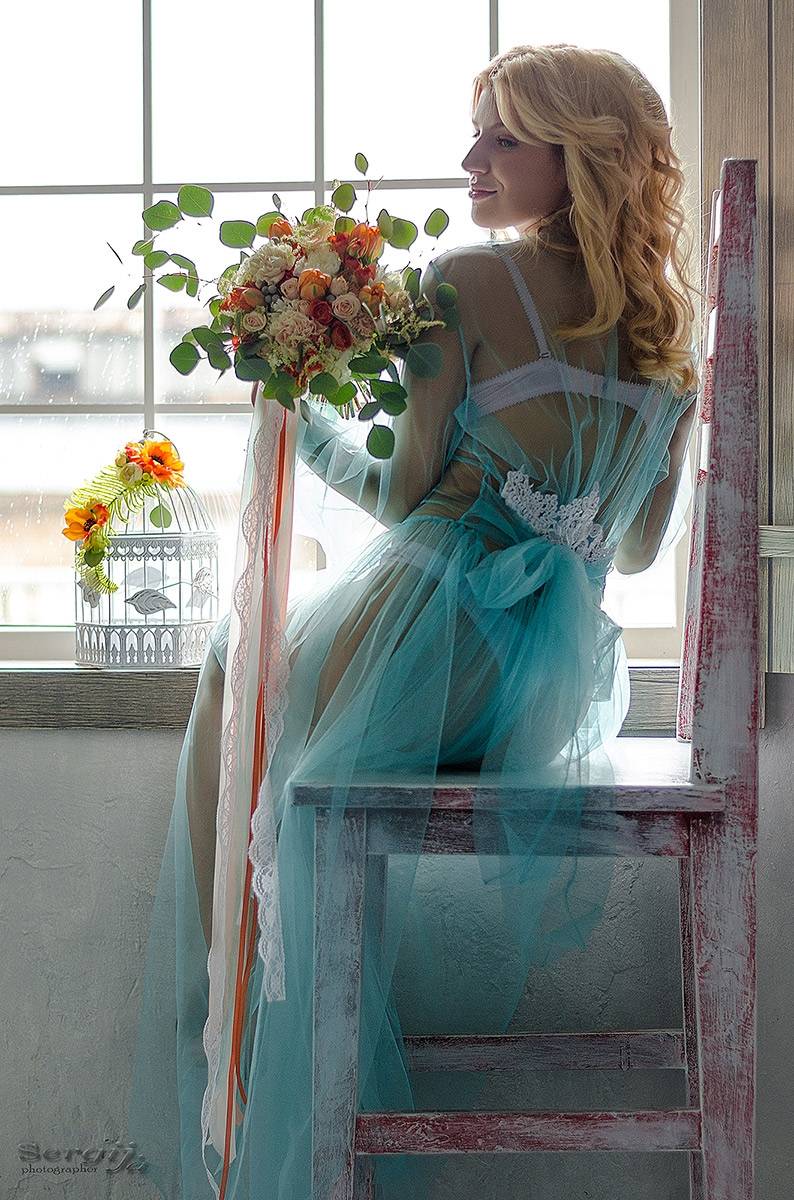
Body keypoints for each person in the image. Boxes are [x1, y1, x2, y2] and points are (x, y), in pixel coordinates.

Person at [128, 42, 701, 1200]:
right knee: (278, 703)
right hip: (531, 691)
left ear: (574, 156)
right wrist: (558, 501)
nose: (469, 156)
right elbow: (637, 550)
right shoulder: (667, 344)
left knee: (237, 666)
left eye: (501, 136)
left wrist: (295, 417)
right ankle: (249, 996)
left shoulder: (465, 280)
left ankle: (222, 1002)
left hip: (420, 631)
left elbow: (400, 496)